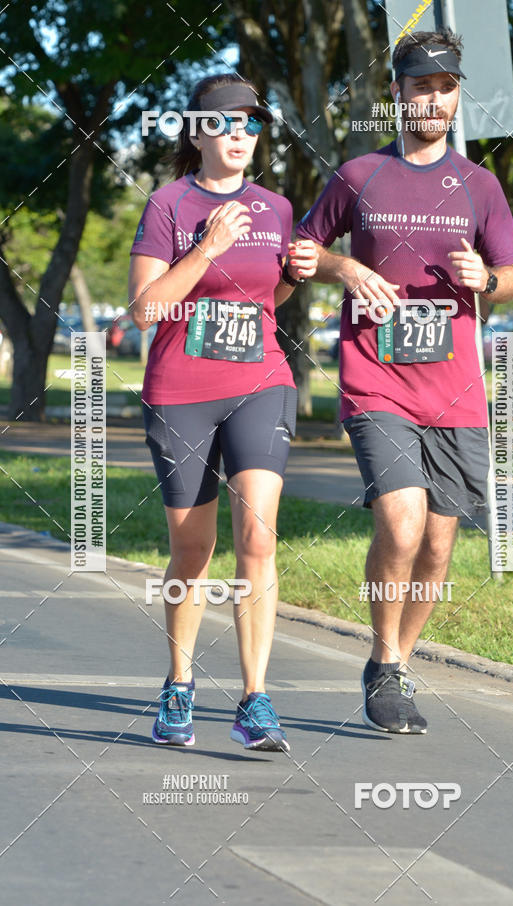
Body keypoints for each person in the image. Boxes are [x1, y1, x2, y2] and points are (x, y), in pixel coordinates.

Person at [296, 30, 513, 734]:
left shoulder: (480, 186)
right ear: (396, 93)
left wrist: (485, 279)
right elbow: (300, 252)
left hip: (454, 388)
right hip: (376, 380)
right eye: (421, 85)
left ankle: (393, 661)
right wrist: (348, 268)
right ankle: (383, 654)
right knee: (401, 518)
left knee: (438, 543)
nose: (434, 98)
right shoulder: (358, 175)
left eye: (446, 86)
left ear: (459, 96)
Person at [128, 74, 317, 751]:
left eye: (253, 124)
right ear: (198, 131)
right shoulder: (168, 205)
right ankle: (178, 684)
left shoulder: (276, 205)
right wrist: (205, 248)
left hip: (261, 381)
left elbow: (272, 300)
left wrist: (295, 273)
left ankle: (255, 700)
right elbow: (146, 308)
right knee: (193, 547)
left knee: (259, 538)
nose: (242, 134)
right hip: (180, 391)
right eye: (229, 123)